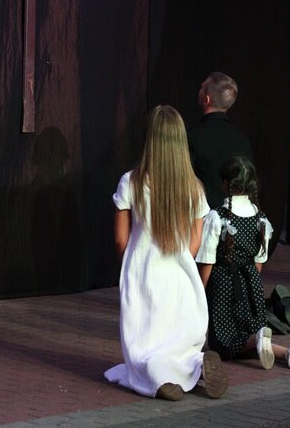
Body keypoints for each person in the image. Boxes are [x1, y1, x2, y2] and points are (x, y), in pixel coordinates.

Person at [104, 105, 228, 401]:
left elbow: (120, 240)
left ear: (149, 139)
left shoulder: (131, 182)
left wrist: (132, 262)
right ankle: (196, 364)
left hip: (144, 271)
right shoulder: (194, 187)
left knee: (143, 345)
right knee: (178, 339)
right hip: (180, 273)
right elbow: (195, 242)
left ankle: (157, 377)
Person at [196, 154, 290, 370]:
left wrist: (200, 289)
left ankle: (260, 340)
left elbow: (207, 260)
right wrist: (251, 285)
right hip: (251, 281)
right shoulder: (261, 218)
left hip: (223, 283)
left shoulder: (217, 217)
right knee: (246, 334)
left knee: (222, 344)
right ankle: (287, 352)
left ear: (225, 184)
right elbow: (259, 262)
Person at [187, 72, 253, 209]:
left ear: (207, 100)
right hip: (235, 217)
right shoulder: (243, 142)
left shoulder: (192, 138)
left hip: (202, 218)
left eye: (201, 88)